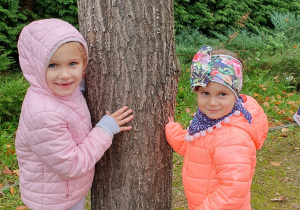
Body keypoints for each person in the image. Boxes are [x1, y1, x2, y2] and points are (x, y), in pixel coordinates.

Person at [15, 18, 134, 210]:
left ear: (83, 64)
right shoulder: (43, 114)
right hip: (54, 201)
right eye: (53, 65)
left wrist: (81, 83)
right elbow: (72, 165)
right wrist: (105, 129)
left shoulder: (57, 90)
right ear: (36, 68)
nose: (65, 75)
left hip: (65, 192)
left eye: (72, 64)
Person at [165, 46, 268, 209]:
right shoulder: (209, 123)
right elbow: (197, 148)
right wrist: (173, 132)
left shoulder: (232, 138)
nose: (213, 103)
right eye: (205, 93)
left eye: (222, 94)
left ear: (235, 94)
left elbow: (232, 192)